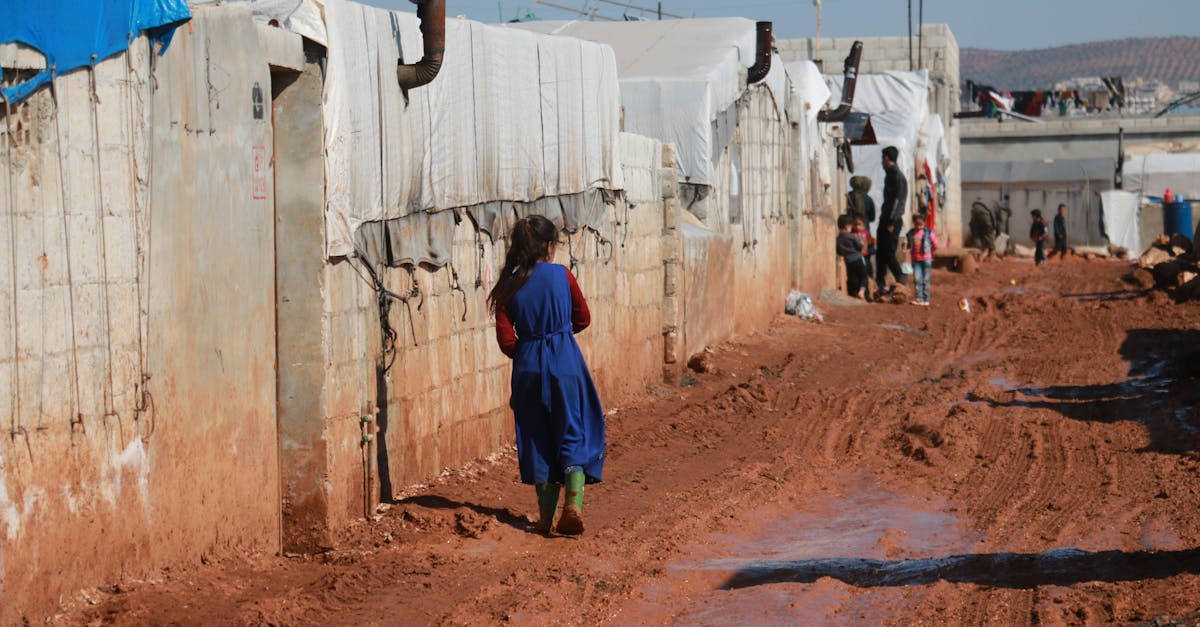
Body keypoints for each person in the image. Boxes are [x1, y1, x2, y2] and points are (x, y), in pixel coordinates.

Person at [489, 215, 605, 536]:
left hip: (527, 367)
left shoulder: (507, 287)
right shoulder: (562, 276)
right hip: (565, 360)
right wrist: (558, 335)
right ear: (549, 247)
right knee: (572, 429)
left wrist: (529, 352)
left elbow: (506, 341)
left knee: (537, 437)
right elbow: (583, 318)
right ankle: (573, 505)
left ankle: (544, 520)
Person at [875, 146, 907, 299]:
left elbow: (897, 201)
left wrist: (892, 220)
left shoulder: (896, 176)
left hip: (891, 220)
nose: (881, 162)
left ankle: (901, 279)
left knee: (888, 252)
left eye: (883, 158)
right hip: (886, 218)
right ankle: (880, 285)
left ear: (887, 158)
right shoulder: (890, 175)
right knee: (881, 252)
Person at [906, 212, 939, 305]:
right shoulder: (911, 234)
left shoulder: (928, 232)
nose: (919, 227)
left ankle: (926, 299)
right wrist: (905, 246)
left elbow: (935, 244)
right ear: (914, 223)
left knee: (926, 279)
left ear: (924, 223)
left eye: (921, 225)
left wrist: (931, 252)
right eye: (917, 225)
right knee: (917, 279)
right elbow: (908, 245)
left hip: (926, 259)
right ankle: (919, 298)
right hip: (916, 260)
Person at [836, 214, 869, 300]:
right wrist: (862, 243)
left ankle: (852, 295)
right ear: (847, 227)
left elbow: (839, 252)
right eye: (851, 227)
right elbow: (860, 246)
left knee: (852, 278)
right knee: (863, 277)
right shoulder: (851, 236)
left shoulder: (838, 238)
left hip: (848, 262)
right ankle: (861, 292)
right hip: (858, 259)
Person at [852, 215, 874, 281]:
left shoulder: (866, 233)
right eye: (855, 225)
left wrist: (871, 242)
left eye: (859, 225)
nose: (857, 227)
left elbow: (870, 241)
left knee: (867, 267)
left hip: (865, 254)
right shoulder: (853, 233)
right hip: (856, 255)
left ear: (863, 225)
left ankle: (869, 279)